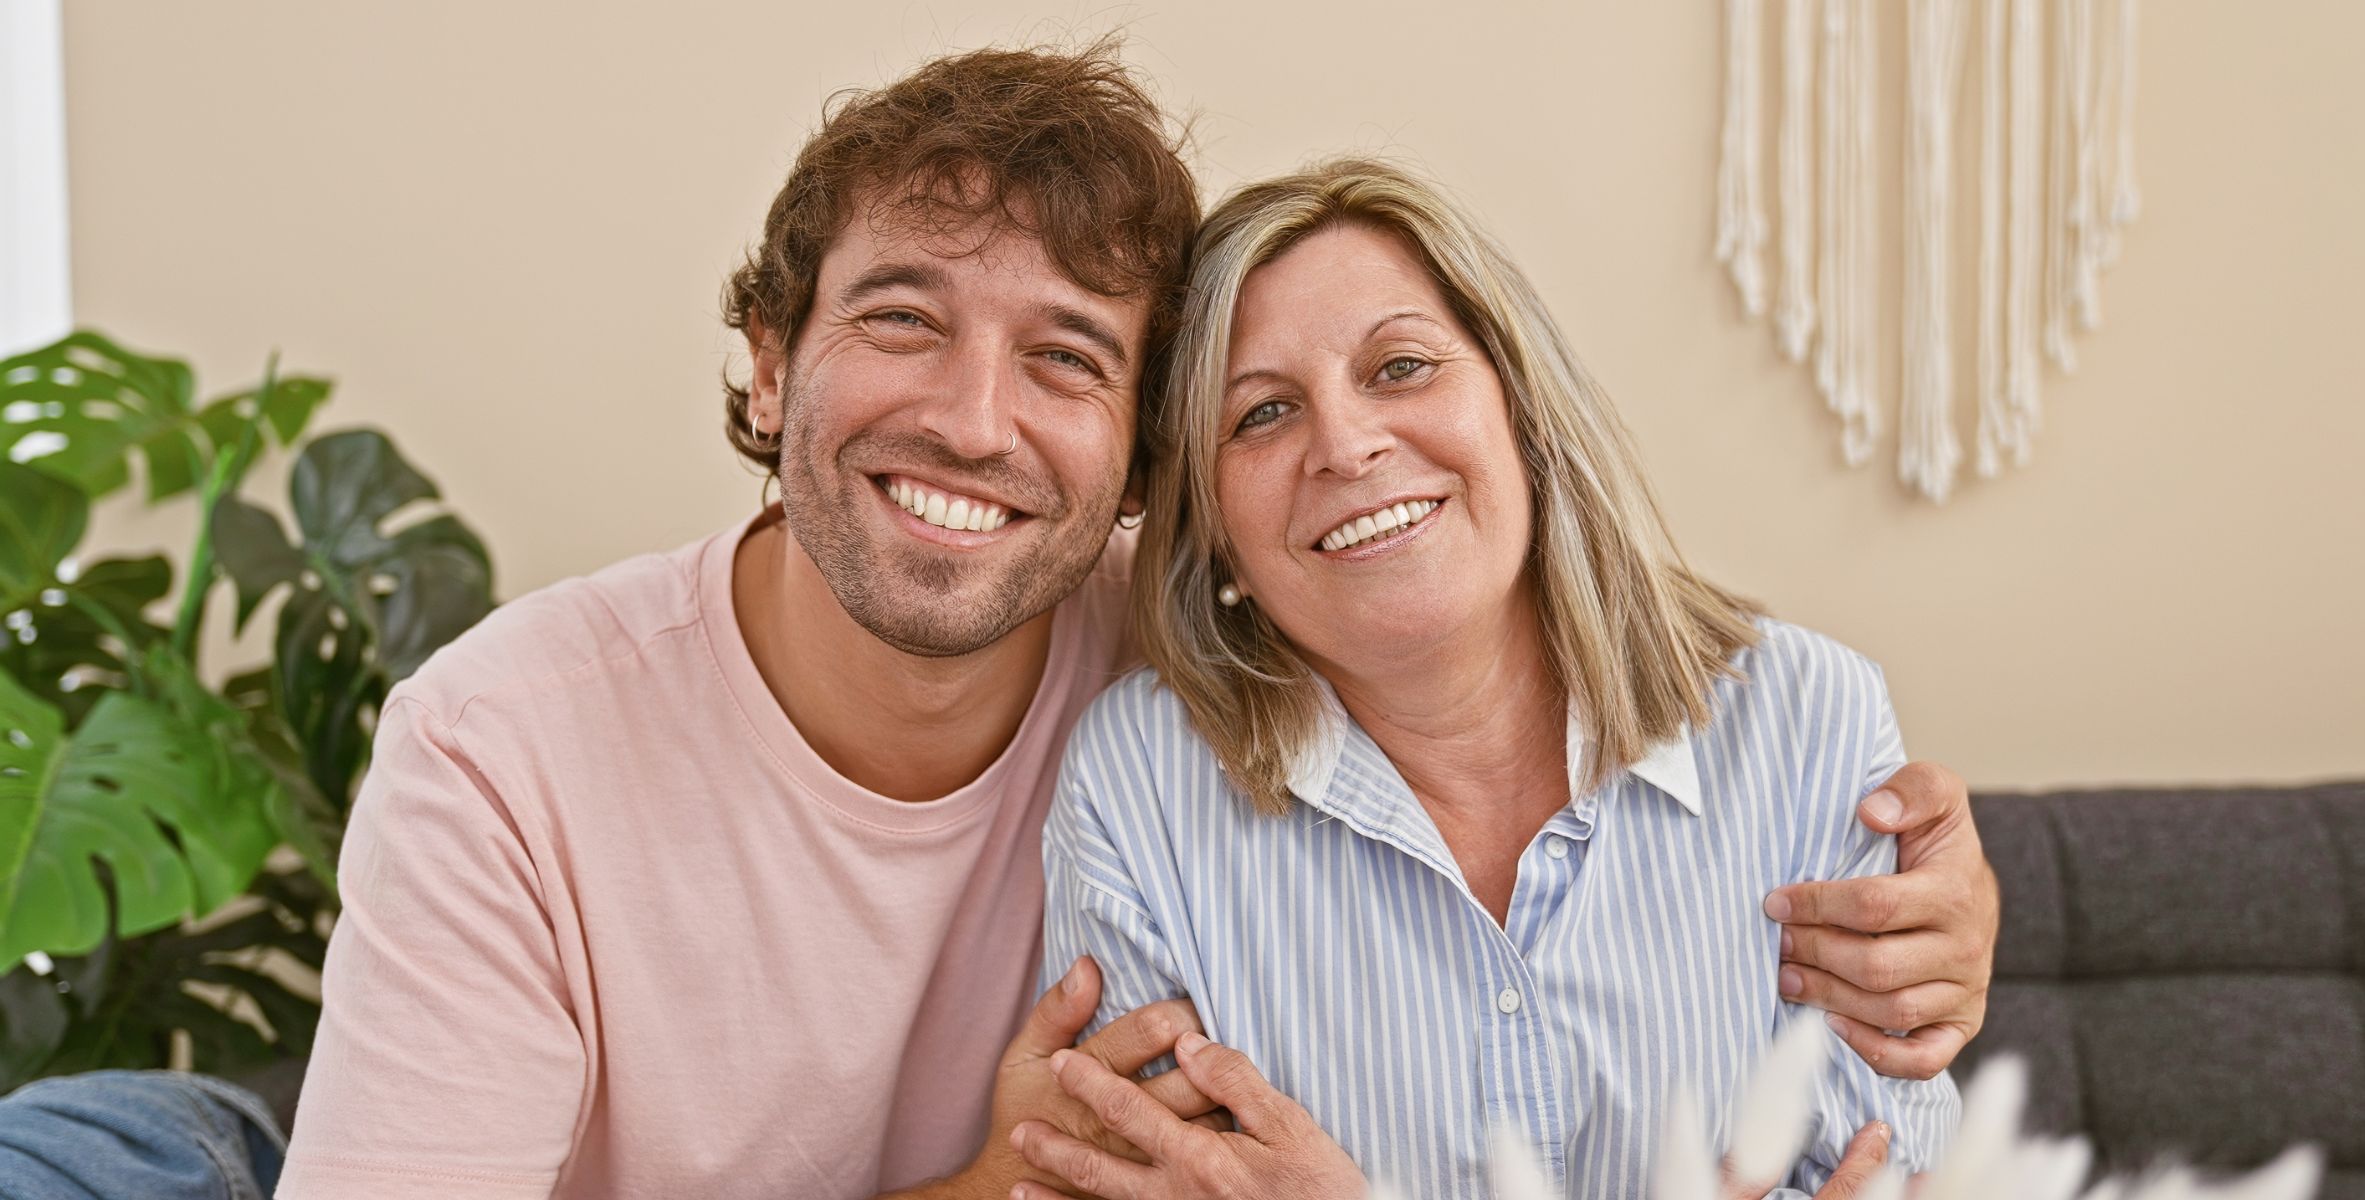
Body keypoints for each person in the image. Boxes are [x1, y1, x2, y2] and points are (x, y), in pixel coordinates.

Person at [270, 44, 1997, 1200]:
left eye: (1069, 360)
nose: (972, 418)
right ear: (771, 359)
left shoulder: (1219, 663)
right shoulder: (502, 745)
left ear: (1136, 478)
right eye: (900, 317)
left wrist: (1935, 906)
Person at [1015, 161, 1963, 1200]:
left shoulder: (1807, 720)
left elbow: (1882, 1173)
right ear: (1218, 535)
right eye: (1263, 414)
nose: (1346, 443)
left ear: (1520, 409)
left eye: (1401, 368)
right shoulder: (1137, 786)